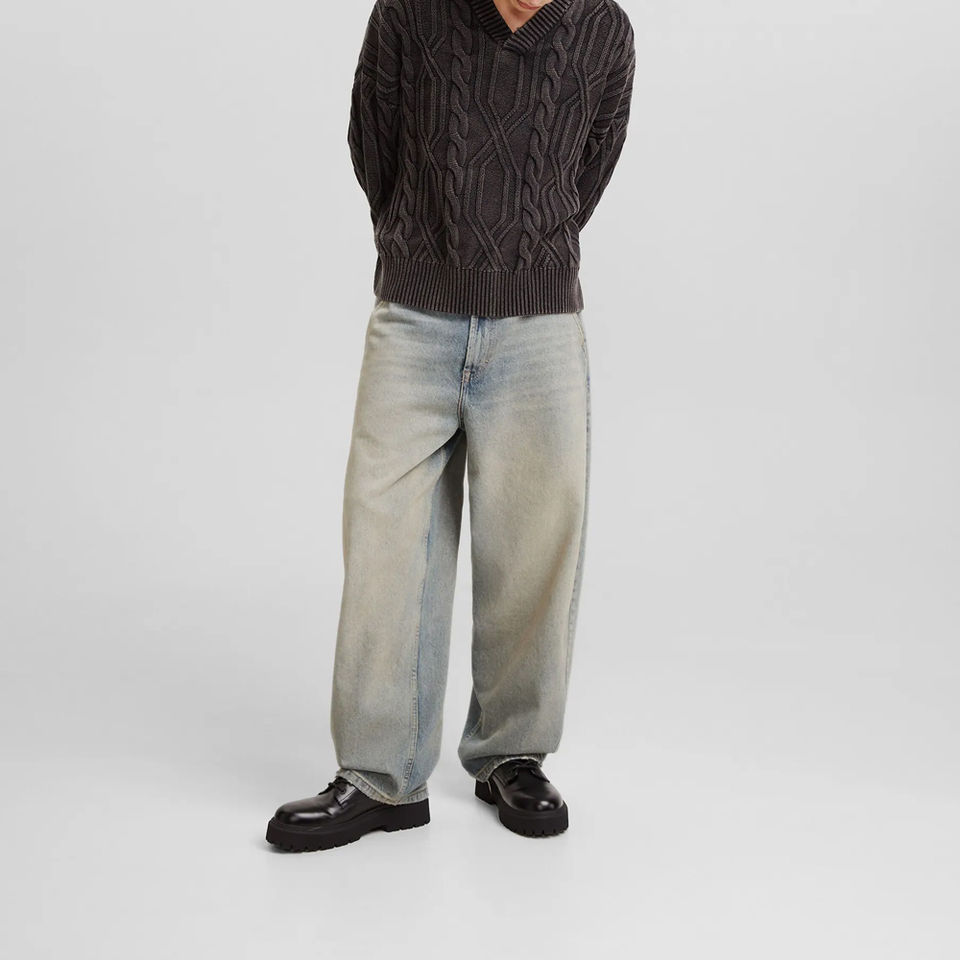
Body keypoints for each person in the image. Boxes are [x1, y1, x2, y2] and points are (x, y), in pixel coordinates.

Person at [265, 0, 635, 852]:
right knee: (386, 541)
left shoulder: (605, 31)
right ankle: (381, 776)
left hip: (539, 326)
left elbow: (587, 173)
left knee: (536, 548)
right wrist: (426, 247)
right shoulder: (409, 11)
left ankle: (512, 754)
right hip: (414, 319)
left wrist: (519, 253)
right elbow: (374, 142)